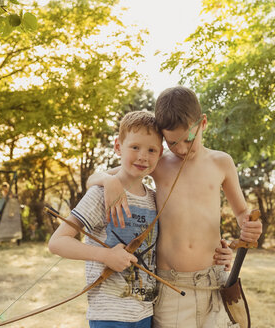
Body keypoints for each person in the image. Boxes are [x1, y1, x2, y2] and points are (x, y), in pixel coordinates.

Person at [87, 86, 263, 328]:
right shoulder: (158, 163)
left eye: (189, 140)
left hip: (215, 280)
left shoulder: (221, 163)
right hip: (172, 285)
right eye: (172, 143)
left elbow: (242, 212)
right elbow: (93, 179)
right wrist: (109, 180)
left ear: (203, 123)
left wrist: (249, 228)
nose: (181, 149)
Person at [48, 111, 164, 328]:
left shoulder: (155, 199)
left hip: (146, 313)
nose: (143, 156)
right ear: (118, 146)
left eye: (151, 150)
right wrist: (106, 255)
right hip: (110, 315)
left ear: (160, 154)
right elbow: (57, 242)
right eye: (135, 147)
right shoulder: (100, 194)